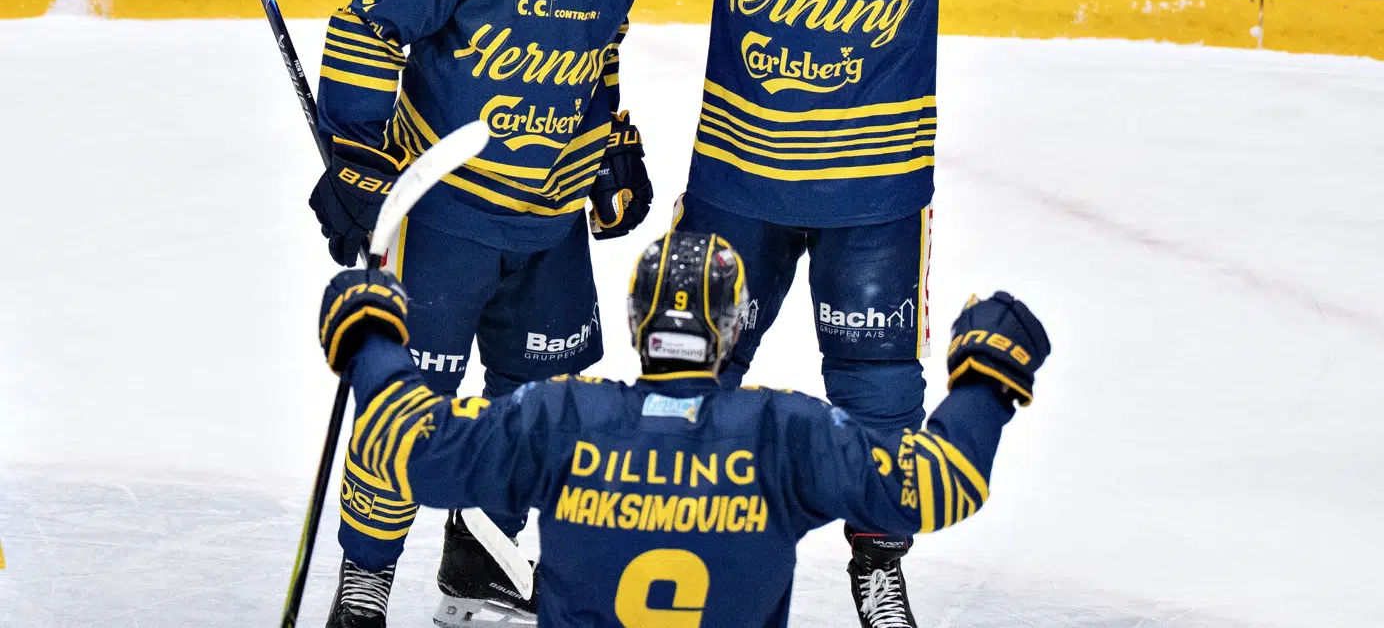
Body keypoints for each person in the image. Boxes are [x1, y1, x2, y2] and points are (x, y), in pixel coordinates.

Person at [611, 0, 1289, 626]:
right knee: (693, 368)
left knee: (880, 390)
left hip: (875, 194)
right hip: (740, 181)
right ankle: (684, 538)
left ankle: (876, 553)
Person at [307, 0, 656, 627]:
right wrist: (354, 156)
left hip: (549, 222)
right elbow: (369, 24)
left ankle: (481, 560)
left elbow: (598, 48)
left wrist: (611, 137)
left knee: (536, 409)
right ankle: (364, 587)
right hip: (444, 213)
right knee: (402, 410)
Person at [314, 231, 1051, 627]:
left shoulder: (565, 418)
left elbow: (400, 442)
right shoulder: (780, 434)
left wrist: (370, 337)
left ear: (637, 323)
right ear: (732, 327)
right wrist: (985, 382)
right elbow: (941, 483)